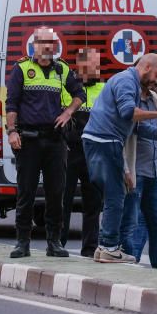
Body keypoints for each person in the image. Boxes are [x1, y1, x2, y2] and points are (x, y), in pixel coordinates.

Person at [82, 53, 157, 264]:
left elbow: (136, 126)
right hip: (106, 140)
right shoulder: (127, 81)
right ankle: (109, 247)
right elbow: (129, 113)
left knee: (114, 196)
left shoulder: (130, 82)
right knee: (116, 197)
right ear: (146, 67)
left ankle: (103, 246)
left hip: (100, 140)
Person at [6, 27, 85, 258]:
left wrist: (68, 112)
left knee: (55, 193)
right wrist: (12, 131)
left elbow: (80, 93)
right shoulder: (22, 68)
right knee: (26, 193)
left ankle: (54, 243)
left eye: (52, 42)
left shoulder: (62, 69)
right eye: (43, 42)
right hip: (29, 140)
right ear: (34, 45)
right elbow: (11, 104)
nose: (48, 47)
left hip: (55, 141)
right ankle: (22, 242)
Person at [124, 78, 157, 270]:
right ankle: (129, 261)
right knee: (131, 222)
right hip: (136, 169)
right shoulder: (132, 99)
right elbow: (138, 128)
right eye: (155, 75)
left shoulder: (156, 97)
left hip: (154, 171)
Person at [59, 47, 105, 257]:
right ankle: (59, 242)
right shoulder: (68, 89)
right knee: (63, 200)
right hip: (70, 151)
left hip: (93, 153)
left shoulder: (105, 90)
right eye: (87, 66)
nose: (91, 69)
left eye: (95, 65)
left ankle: (89, 247)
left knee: (93, 202)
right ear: (79, 67)